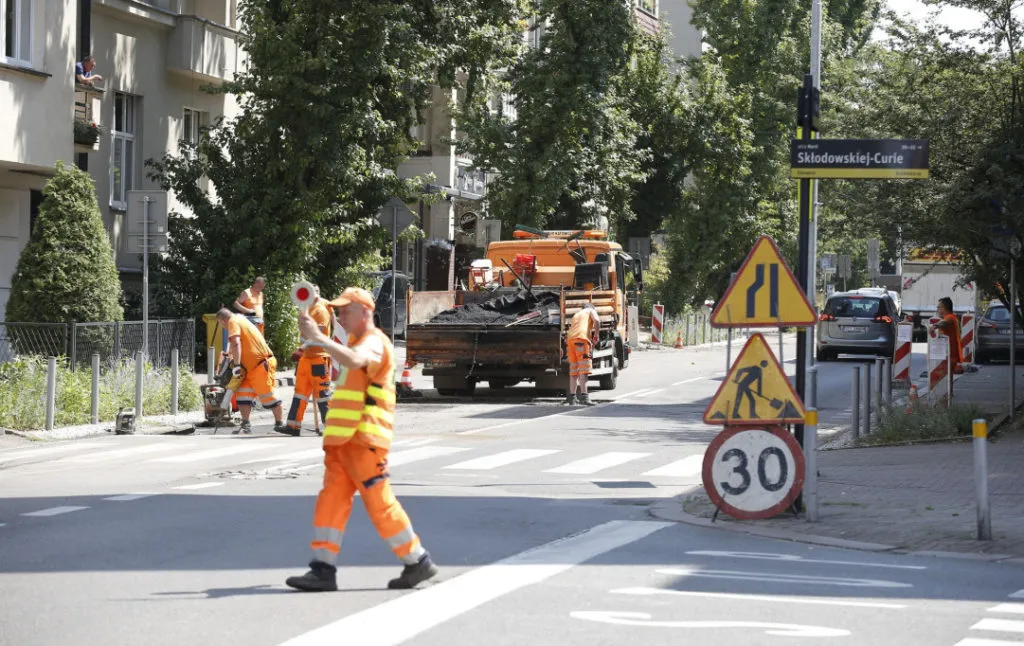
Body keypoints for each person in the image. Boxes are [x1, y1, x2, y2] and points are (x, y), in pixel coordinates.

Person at [285, 287, 438, 592]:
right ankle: (322, 568)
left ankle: (417, 560)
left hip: (364, 440)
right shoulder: (357, 342)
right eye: (339, 310)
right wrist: (317, 334)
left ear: (365, 312)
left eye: (346, 310)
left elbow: (356, 361)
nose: (340, 316)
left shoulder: (374, 342)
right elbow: (349, 361)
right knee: (331, 502)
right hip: (345, 444)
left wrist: (319, 338)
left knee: (380, 504)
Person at [216, 308, 288, 434]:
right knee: (243, 395)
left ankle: (280, 424)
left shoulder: (232, 321)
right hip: (249, 368)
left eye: (221, 324)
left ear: (223, 320)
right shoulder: (240, 319)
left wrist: (236, 365)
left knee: (269, 396)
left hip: (260, 365)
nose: (224, 327)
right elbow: (236, 346)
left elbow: (236, 343)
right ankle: (246, 424)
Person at [285, 286, 333, 436]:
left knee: (323, 395)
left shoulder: (320, 311)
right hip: (306, 358)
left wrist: (302, 347)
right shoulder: (305, 310)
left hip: (319, 358)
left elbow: (317, 333)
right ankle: (293, 426)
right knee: (300, 393)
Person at [564, 302, 601, 406]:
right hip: (581, 340)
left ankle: (572, 399)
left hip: (570, 341)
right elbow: (597, 320)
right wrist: (596, 336)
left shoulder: (577, 314)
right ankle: (585, 398)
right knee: (583, 370)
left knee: (574, 371)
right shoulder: (591, 310)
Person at [929, 297, 964, 374]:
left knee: (944, 377)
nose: (937, 309)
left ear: (944, 308)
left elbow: (943, 323)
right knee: (948, 377)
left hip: (949, 354)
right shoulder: (953, 317)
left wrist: (934, 326)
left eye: (938, 307)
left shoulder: (950, 318)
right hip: (951, 354)